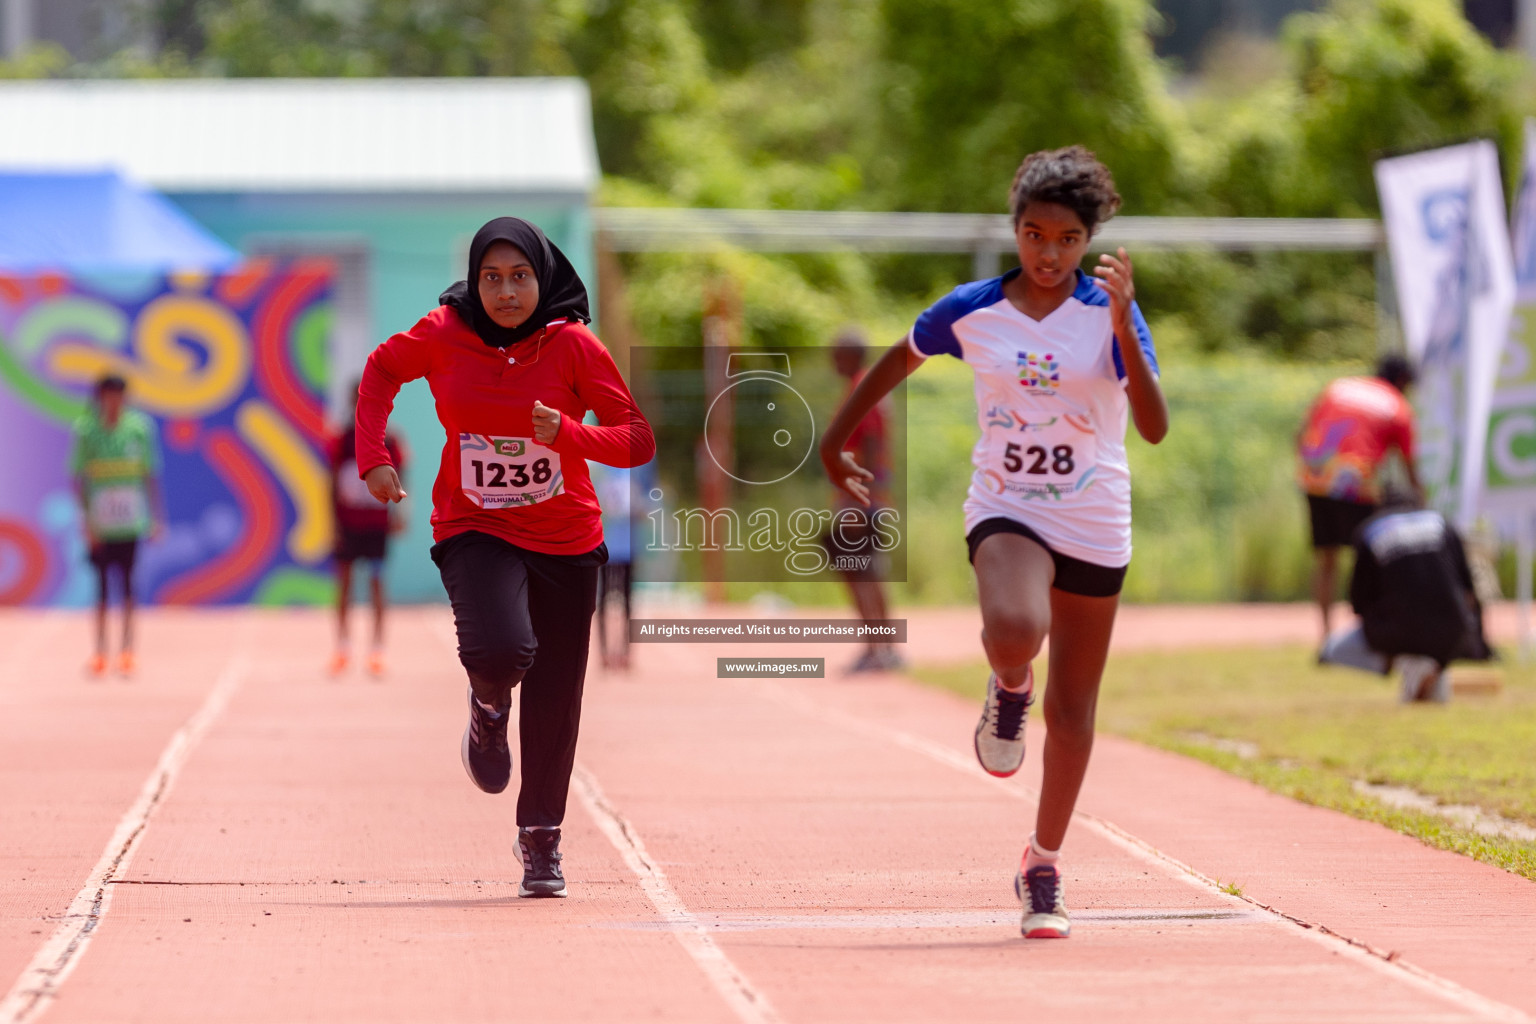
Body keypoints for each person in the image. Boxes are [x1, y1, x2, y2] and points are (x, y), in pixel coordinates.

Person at [820, 146, 1167, 940]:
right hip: (1008, 505)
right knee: (1016, 627)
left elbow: (1152, 427)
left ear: (1089, 239)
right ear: (1015, 228)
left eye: (1068, 240)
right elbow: (895, 361)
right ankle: (1010, 685)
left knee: (1076, 708)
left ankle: (1042, 863)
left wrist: (1120, 325)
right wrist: (833, 440)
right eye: (1035, 234)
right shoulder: (971, 309)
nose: (1049, 254)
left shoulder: (1110, 311)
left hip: (1094, 515)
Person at [355, 217, 655, 899]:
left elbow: (636, 438)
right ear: (475, 281)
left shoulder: (574, 346)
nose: (506, 291)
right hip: (475, 524)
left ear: (542, 278)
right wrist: (371, 459)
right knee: (498, 651)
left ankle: (541, 839)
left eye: (519, 276)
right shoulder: (444, 332)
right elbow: (380, 371)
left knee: (555, 693)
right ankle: (488, 709)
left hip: (566, 538)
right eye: (491, 278)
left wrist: (570, 433)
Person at [1297, 356, 1419, 647]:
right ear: (1403, 381)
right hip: (1354, 480)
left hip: (1314, 474)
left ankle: (1326, 636)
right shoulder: (1396, 405)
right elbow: (1409, 465)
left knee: (1326, 558)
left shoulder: (1339, 387)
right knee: (1369, 559)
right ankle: (1366, 634)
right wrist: (1420, 501)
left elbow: (1302, 434)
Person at [1320, 499, 1493, 702]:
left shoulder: (1370, 529)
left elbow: (1359, 604)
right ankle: (1429, 665)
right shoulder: (1442, 523)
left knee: (1330, 650)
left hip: (1395, 634)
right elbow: (1469, 593)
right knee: (1432, 653)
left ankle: (1406, 661)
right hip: (1453, 633)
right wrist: (1474, 643)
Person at [821, 328, 903, 673]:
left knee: (861, 573)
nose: (832, 361)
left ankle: (878, 649)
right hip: (863, 496)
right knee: (864, 572)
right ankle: (882, 648)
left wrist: (859, 499)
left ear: (852, 356)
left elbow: (869, 442)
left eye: (837, 354)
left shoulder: (862, 388)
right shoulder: (865, 386)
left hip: (860, 498)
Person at [70, 374, 162, 678]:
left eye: (118, 396)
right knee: (100, 592)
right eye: (108, 396)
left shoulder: (139, 430)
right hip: (100, 524)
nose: (113, 402)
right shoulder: (87, 431)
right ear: (100, 398)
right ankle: (99, 651)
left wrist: (156, 517)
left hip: (130, 522)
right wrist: (86, 520)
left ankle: (127, 650)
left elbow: (150, 475)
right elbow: (78, 477)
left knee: (128, 590)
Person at [328, 380, 407, 677]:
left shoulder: (391, 439)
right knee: (345, 584)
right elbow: (332, 482)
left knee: (376, 583)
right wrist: (333, 523)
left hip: (376, 524)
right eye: (356, 399)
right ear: (350, 402)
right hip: (348, 524)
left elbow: (401, 476)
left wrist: (400, 512)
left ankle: (377, 649)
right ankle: (342, 647)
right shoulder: (343, 438)